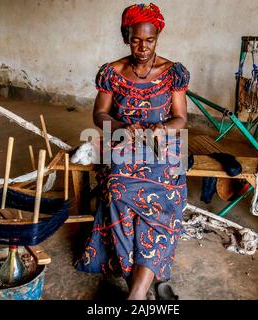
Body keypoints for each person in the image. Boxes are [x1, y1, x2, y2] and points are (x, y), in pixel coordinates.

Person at [75, 3, 189, 300]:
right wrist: (121, 127)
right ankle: (141, 285)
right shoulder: (113, 72)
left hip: (163, 148)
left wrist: (161, 129)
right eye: (136, 39)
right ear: (126, 37)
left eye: (149, 40)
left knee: (164, 199)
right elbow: (99, 114)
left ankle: (135, 294)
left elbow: (181, 118)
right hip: (124, 144)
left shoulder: (171, 73)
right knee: (115, 191)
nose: (143, 47)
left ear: (157, 38)